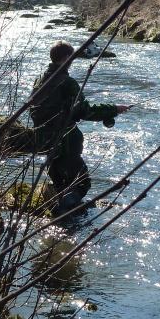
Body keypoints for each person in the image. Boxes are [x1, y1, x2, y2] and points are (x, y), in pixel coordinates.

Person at [29, 41, 130, 214]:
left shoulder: (41, 79)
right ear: (67, 57)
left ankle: (60, 221)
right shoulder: (67, 83)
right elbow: (85, 111)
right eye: (72, 56)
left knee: (61, 183)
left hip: (44, 140)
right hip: (66, 141)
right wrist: (113, 109)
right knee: (82, 183)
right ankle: (64, 215)